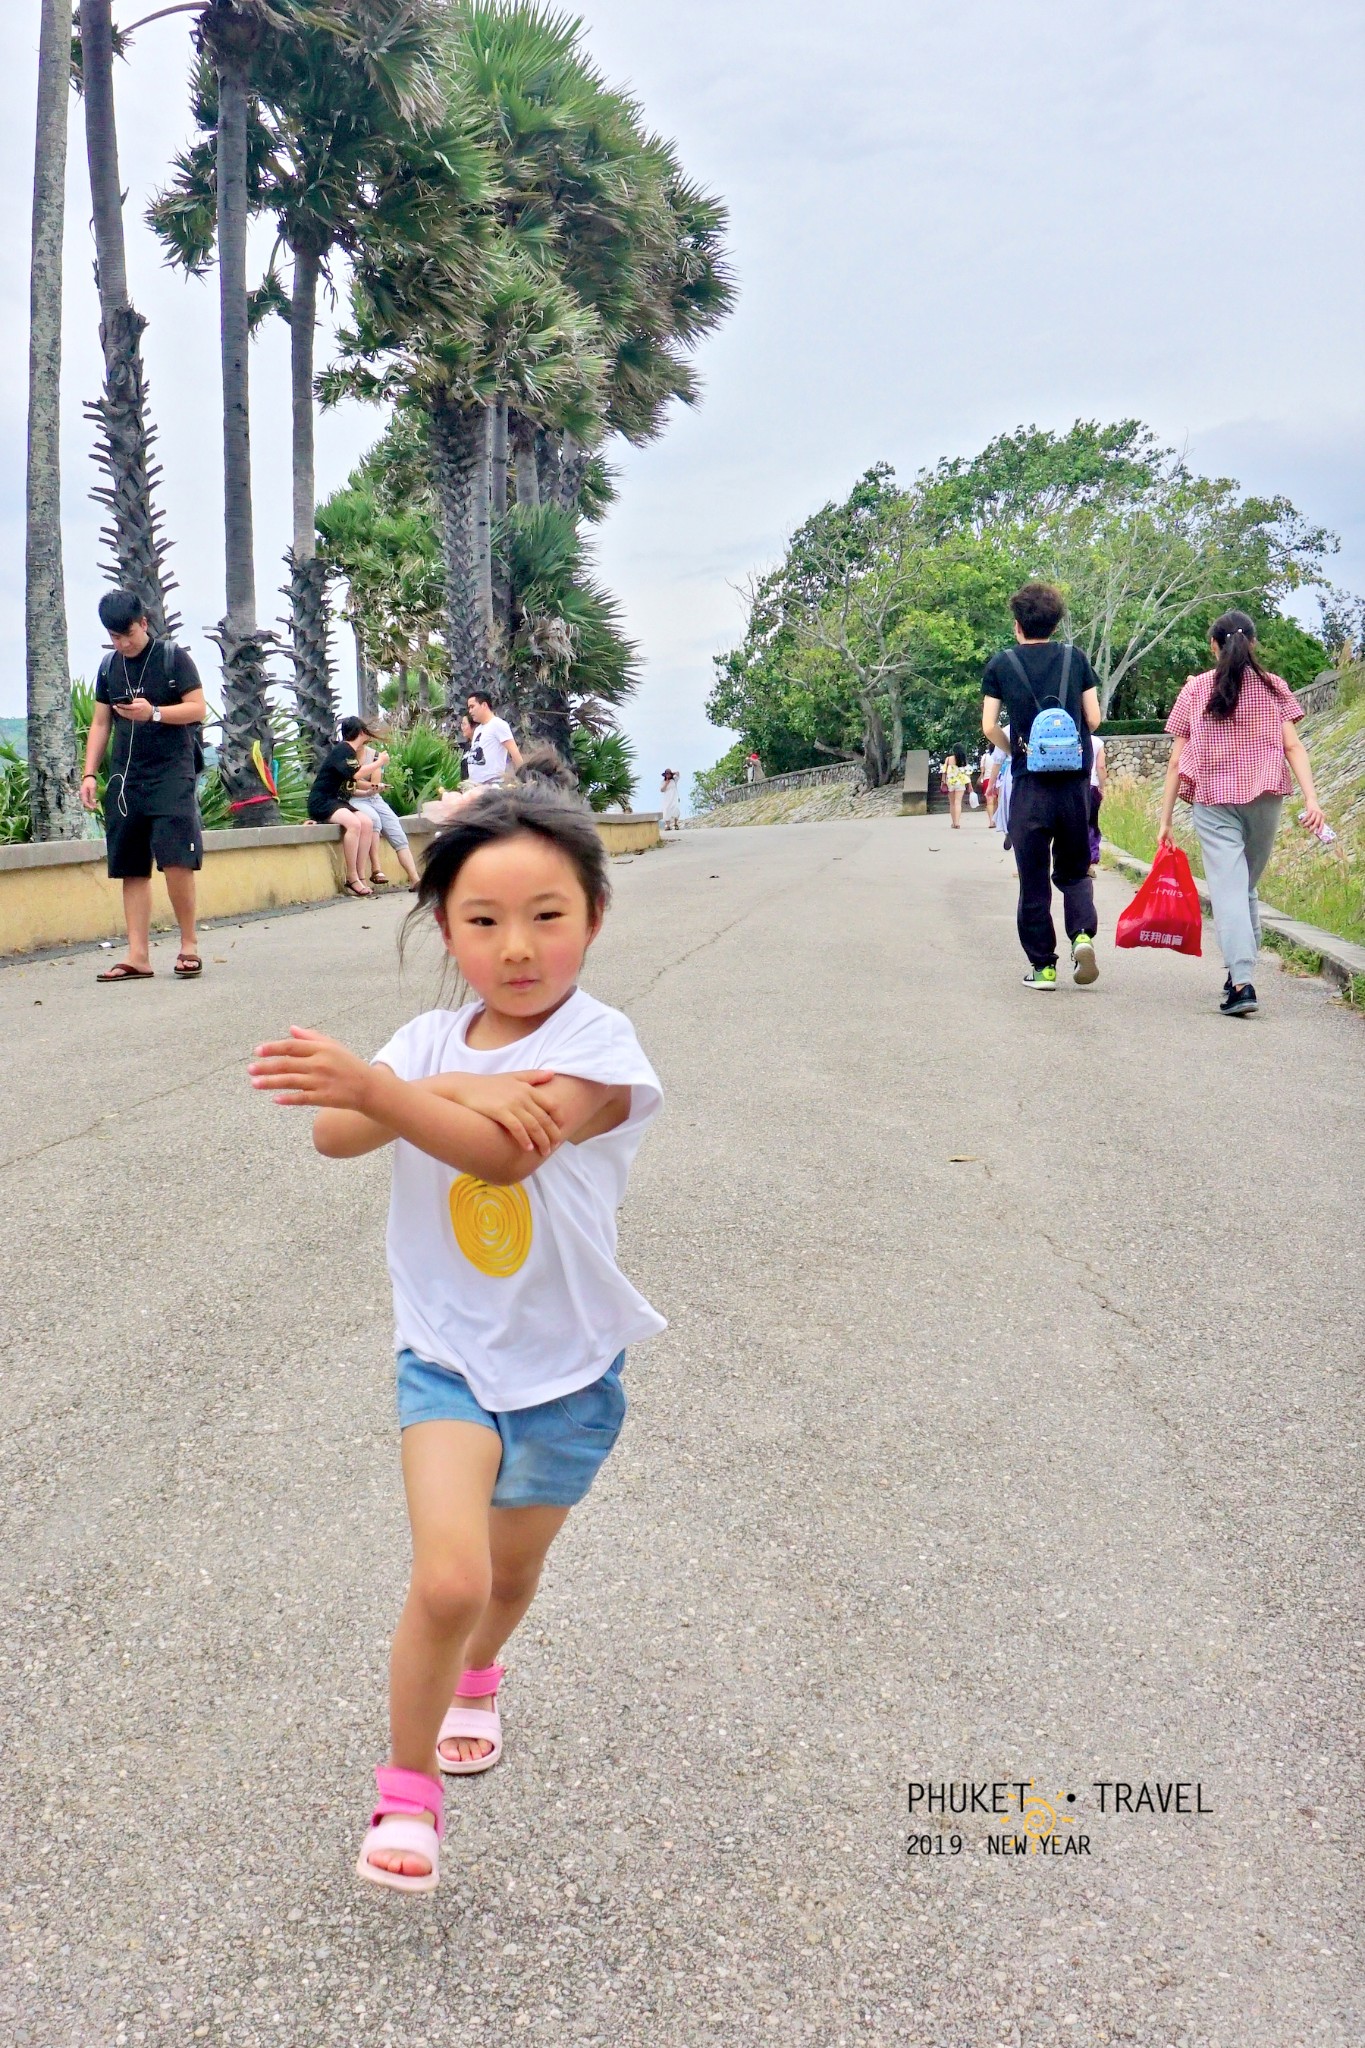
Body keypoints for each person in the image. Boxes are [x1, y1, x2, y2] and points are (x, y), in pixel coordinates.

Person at [248, 784, 664, 1894]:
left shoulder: (602, 1044)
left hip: (569, 1371)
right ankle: (406, 1790)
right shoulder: (429, 1039)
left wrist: (394, 1089)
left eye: (547, 914)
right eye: (481, 921)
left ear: (595, 916)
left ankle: (481, 1672)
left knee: (508, 1576)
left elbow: (502, 1153)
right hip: (445, 1354)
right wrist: (420, 1082)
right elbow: (341, 1133)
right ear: (445, 929)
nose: (516, 946)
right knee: (447, 1576)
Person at [1156, 610, 1324, 1018]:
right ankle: (1239, 973)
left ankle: (1243, 981)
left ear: (1214, 645)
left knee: (1231, 888)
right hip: (1266, 796)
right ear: (1254, 642)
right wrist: (1311, 800)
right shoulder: (1273, 687)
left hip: (1214, 800)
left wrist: (1164, 820)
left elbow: (1177, 762)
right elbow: (1293, 747)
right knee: (1245, 884)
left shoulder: (1195, 690)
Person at [81, 588, 207, 982]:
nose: (122, 642)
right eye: (114, 636)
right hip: (125, 780)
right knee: (131, 866)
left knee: (175, 860)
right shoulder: (108, 667)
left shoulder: (173, 658)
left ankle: (188, 945)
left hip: (171, 773)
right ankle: (138, 955)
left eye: (127, 634)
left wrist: (153, 713)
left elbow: (197, 708)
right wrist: (89, 774)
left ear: (144, 623)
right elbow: (101, 723)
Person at [982, 582, 1102, 989]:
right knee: (1073, 872)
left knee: (1032, 877)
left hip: (1030, 787)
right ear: (1055, 623)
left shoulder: (1001, 665)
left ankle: (1043, 968)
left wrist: (1017, 749)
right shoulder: (1076, 659)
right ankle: (1082, 935)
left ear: (1017, 626)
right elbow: (1095, 719)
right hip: (1073, 786)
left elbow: (988, 726)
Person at [307, 715, 379, 897]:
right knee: (354, 824)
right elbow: (356, 774)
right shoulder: (343, 750)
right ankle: (351, 877)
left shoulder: (349, 752)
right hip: (322, 801)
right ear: (361, 732)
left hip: (338, 801)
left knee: (367, 823)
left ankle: (361, 876)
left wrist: (370, 790)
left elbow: (350, 781)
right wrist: (379, 763)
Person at [350, 731, 422, 892]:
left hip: (374, 798)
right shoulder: (345, 756)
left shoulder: (373, 755)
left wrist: (360, 779)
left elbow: (373, 784)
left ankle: (415, 879)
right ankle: (376, 868)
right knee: (373, 819)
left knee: (396, 829)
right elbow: (349, 783)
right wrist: (358, 780)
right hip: (354, 798)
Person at [465, 692, 523, 786]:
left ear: (484, 705)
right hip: (474, 784)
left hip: (492, 784)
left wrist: (524, 778)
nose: (470, 711)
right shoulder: (478, 730)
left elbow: (514, 752)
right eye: (469, 708)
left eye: (472, 707)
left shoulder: (498, 724)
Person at [1088, 732, 1107, 873]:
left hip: (1072, 787)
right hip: (1091, 787)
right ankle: (1089, 862)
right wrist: (1102, 787)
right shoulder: (1097, 742)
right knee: (1091, 824)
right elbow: (1101, 766)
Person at [944, 746, 971, 829]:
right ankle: (957, 822)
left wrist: (943, 782)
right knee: (958, 802)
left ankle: (953, 822)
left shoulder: (948, 759)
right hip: (961, 782)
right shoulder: (963, 760)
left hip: (950, 782)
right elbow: (967, 773)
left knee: (952, 803)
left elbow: (944, 772)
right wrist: (969, 785)